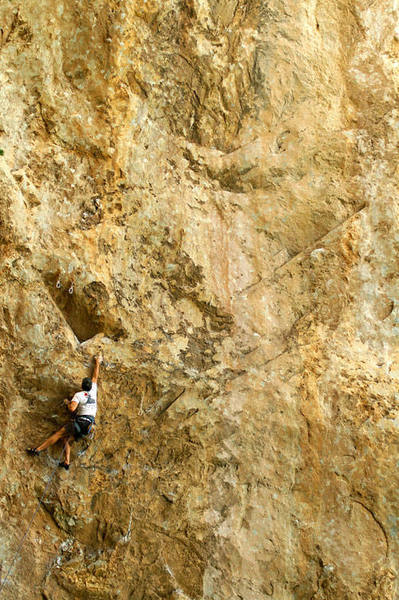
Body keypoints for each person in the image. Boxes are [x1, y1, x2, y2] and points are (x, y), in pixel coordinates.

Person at [26, 354, 103, 470]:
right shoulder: (93, 391)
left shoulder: (79, 395)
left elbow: (72, 409)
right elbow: (95, 376)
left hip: (80, 422)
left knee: (58, 434)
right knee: (65, 439)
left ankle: (38, 450)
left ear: (82, 386)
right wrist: (98, 362)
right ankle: (66, 462)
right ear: (91, 386)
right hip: (89, 426)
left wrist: (68, 403)